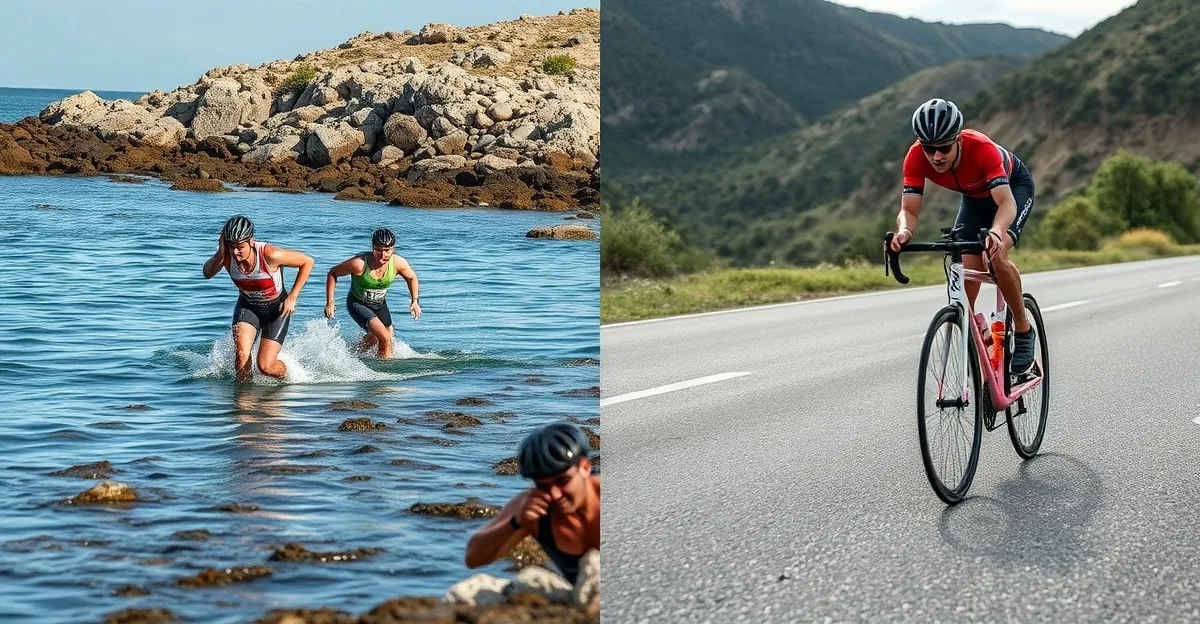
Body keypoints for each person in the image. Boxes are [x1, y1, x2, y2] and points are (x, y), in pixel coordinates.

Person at [890, 98, 1037, 374]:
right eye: (929, 148)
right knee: (966, 279)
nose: (936, 156)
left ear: (958, 139)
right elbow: (908, 210)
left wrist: (996, 232)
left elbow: (1006, 205)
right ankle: (984, 356)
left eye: (944, 147)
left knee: (993, 255)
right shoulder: (915, 157)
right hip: (973, 198)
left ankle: (1023, 328)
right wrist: (904, 231)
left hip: (1012, 190)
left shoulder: (981, 149)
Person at [464, 422, 600, 590]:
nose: (554, 495)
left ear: (585, 467)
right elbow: (473, 558)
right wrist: (515, 523)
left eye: (562, 481)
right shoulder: (533, 508)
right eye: (543, 486)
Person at [202, 215, 315, 382]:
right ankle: (243, 405)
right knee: (241, 356)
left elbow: (307, 262)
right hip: (248, 307)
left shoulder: (270, 254)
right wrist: (220, 253)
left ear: (251, 242)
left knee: (265, 367)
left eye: (240, 247)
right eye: (231, 246)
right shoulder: (226, 256)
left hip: (276, 311)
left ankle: (288, 374)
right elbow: (207, 273)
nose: (235, 252)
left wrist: (292, 296)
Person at [323, 227, 421, 359]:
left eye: (387, 250)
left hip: (379, 304)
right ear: (373, 247)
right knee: (385, 338)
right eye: (379, 250)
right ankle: (384, 370)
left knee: (383, 337)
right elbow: (332, 273)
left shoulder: (398, 263)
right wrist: (330, 302)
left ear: (393, 249)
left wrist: (414, 300)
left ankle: (353, 355)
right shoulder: (359, 264)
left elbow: (411, 277)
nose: (383, 255)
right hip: (358, 304)